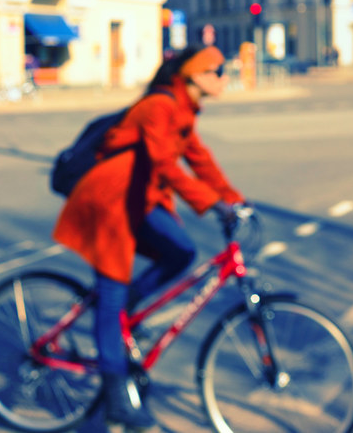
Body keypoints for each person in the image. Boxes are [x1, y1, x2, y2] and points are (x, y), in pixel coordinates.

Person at [52, 45, 245, 429]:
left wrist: (235, 200)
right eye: (218, 70)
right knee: (110, 295)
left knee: (182, 251)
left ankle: (127, 308)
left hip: (138, 198)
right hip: (109, 201)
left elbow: (199, 159)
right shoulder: (159, 107)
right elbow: (162, 162)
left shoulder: (183, 111)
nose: (224, 77)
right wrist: (212, 204)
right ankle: (116, 397)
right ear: (193, 76)